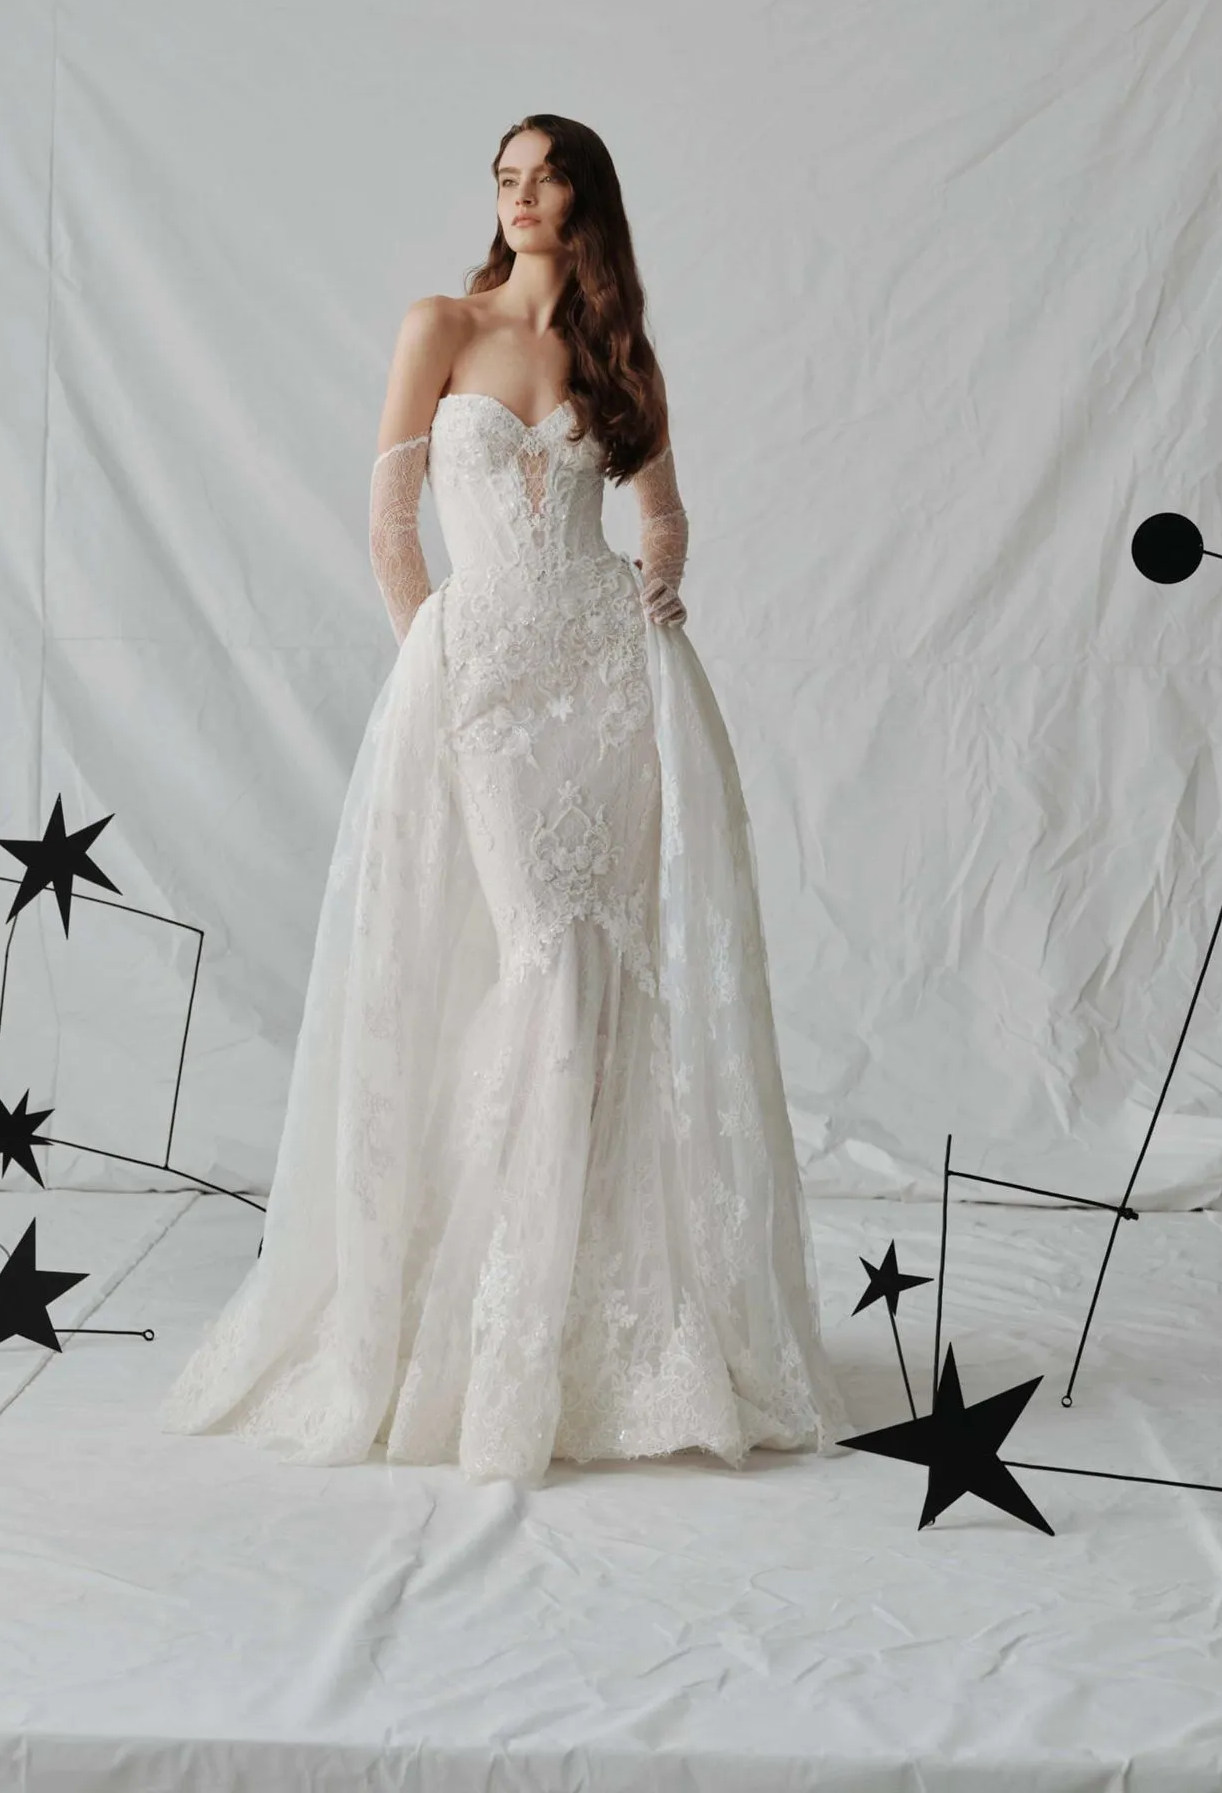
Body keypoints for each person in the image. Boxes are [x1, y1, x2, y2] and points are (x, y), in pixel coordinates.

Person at [160, 114, 849, 1484]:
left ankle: (599, 1315)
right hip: (485, 681)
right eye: (505, 180)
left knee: (603, 970)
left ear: (587, 200)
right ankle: (486, 1318)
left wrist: (663, 577)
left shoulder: (615, 355)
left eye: (546, 179)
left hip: (610, 681)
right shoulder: (442, 326)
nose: (521, 197)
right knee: (536, 952)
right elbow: (389, 527)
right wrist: (441, 673)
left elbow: (662, 513)